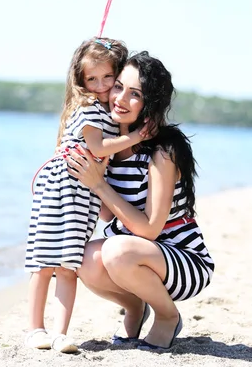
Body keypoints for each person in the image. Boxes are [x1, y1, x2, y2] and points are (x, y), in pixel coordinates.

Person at [65, 51, 214, 351]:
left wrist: (99, 185)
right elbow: (108, 216)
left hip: (182, 259)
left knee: (117, 250)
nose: (120, 98)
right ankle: (135, 308)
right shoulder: (110, 146)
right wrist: (88, 172)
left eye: (135, 94)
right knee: (82, 258)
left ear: (151, 104)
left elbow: (149, 230)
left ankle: (167, 315)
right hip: (136, 252)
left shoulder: (163, 151)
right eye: (118, 86)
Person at [24, 37, 148, 353]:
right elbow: (96, 148)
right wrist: (135, 136)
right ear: (81, 81)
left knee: (68, 264)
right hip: (60, 189)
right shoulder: (89, 107)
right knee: (43, 263)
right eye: (92, 79)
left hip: (83, 195)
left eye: (108, 77)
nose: (101, 85)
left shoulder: (108, 112)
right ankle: (36, 329)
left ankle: (60, 332)